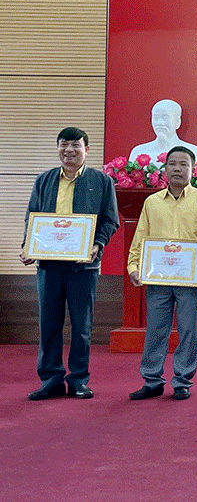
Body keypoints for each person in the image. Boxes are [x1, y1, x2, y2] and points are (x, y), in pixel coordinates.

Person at [19, 127, 119, 400]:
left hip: (83, 265)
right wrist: (28, 246)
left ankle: (78, 380)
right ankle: (51, 379)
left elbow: (110, 220)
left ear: (87, 149)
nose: (69, 150)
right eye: (64, 144)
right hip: (48, 265)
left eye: (76, 145)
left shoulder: (101, 181)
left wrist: (97, 245)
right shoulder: (44, 180)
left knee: (81, 326)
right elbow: (32, 217)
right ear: (58, 148)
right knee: (49, 323)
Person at [128, 146, 197, 401]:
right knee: (156, 330)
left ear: (193, 169)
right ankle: (152, 380)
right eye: (172, 164)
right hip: (158, 278)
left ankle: (182, 381)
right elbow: (141, 237)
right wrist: (134, 266)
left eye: (183, 164)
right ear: (165, 168)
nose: (177, 168)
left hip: (192, 280)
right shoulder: (152, 203)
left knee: (189, 331)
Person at [128, 99, 197, 165]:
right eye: (156, 118)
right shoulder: (138, 152)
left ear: (177, 122)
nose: (160, 123)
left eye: (165, 118)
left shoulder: (193, 152)